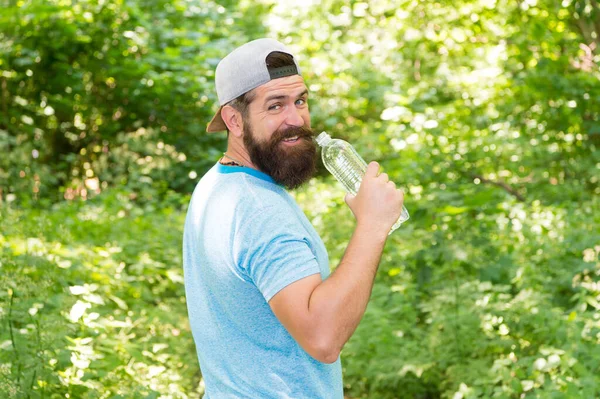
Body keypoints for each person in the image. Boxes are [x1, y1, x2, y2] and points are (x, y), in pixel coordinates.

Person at [183, 38, 405, 398]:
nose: (296, 119)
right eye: (275, 105)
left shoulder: (218, 185)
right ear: (234, 120)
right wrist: (373, 225)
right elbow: (322, 337)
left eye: (300, 100)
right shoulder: (257, 209)